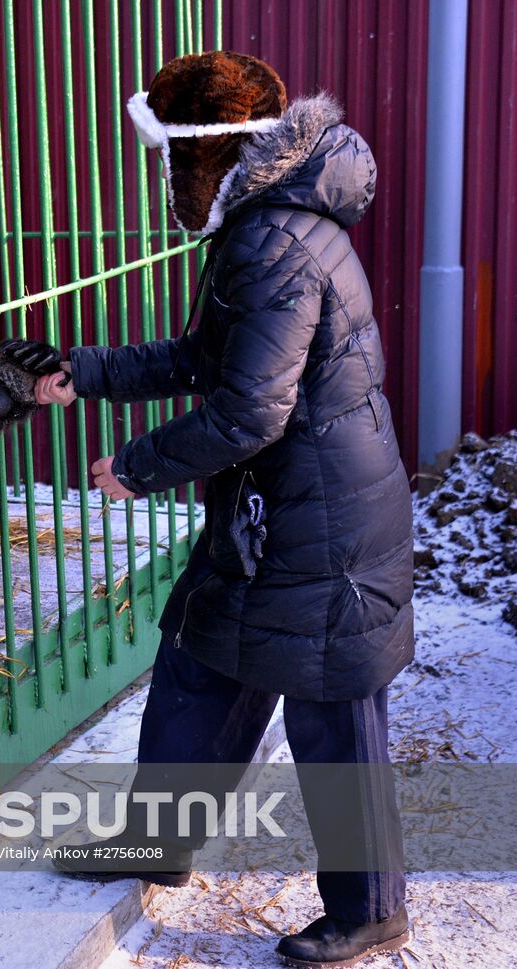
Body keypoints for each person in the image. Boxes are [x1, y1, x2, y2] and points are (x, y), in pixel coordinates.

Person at [36, 52, 413, 968]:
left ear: (215, 154)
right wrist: (85, 374)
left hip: (321, 522)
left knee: (331, 712)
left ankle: (371, 907)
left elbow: (250, 410)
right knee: (201, 661)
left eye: (172, 160)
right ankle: (154, 839)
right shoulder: (268, 225)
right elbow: (210, 357)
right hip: (278, 509)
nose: (166, 182)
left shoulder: (271, 241)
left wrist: (137, 465)